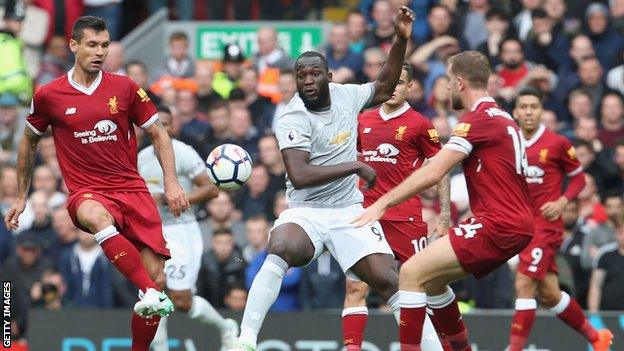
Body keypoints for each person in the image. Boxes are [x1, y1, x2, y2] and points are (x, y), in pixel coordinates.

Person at [229, 6, 416, 351]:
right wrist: (355, 166)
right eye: (302, 76)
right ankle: (245, 340)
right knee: (282, 246)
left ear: (329, 76)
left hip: (349, 211)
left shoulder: (348, 95)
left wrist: (400, 39)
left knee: (389, 279)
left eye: (315, 74)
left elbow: (386, 83)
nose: (308, 81)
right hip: (307, 211)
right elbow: (299, 176)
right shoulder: (291, 117)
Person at [4, 16, 189, 351]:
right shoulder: (49, 95)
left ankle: (141, 335)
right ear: (74, 46)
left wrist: (172, 183)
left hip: (131, 189)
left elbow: (159, 132)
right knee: (97, 217)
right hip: (86, 192)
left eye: (104, 45)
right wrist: (21, 196)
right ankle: (147, 289)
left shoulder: (126, 88)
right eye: (92, 45)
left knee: (158, 279)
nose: (99, 52)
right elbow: (28, 141)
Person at [352, 51, 534, 351]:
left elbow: (435, 170)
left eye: (449, 82)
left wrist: (381, 203)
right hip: (511, 223)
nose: (447, 89)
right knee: (433, 280)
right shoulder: (502, 116)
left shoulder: (476, 119)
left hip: (498, 224)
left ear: (460, 82)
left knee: (410, 273)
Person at [343, 63, 448, 351]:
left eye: (400, 83)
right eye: (389, 83)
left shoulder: (420, 124)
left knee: (423, 288)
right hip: (366, 217)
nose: (393, 89)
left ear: (410, 87)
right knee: (355, 287)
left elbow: (442, 168)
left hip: (405, 218)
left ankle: (443, 344)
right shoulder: (363, 119)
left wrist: (445, 216)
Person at [508, 87, 613, 351]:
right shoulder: (509, 143)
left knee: (523, 283)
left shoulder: (557, 143)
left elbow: (578, 177)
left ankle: (514, 348)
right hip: (518, 225)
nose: (529, 112)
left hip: (545, 227)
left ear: (541, 110)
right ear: (515, 112)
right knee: (549, 294)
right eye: (524, 107)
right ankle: (596, 336)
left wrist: (563, 201)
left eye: (534, 106)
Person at [137, 105, 239, 350]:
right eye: (156, 123)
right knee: (154, 292)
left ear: (173, 127)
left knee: (181, 301)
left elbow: (212, 188)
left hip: (182, 230)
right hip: (153, 233)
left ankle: (226, 328)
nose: (161, 128)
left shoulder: (182, 153)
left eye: (167, 123)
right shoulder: (141, 158)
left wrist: (179, 199)